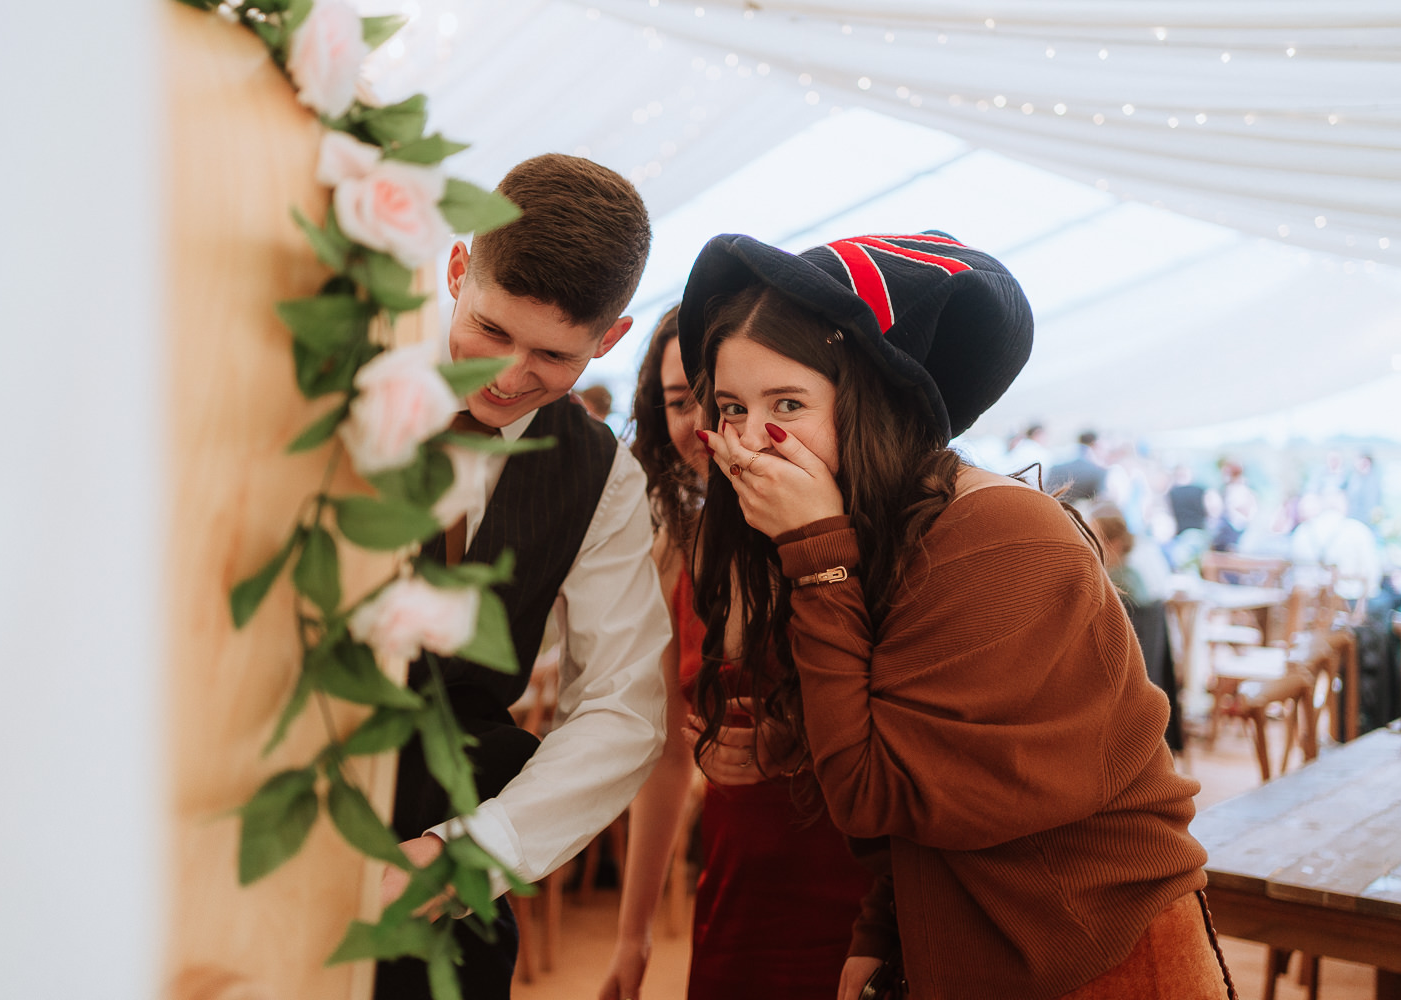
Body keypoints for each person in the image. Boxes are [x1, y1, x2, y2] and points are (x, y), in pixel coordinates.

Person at [680, 231, 1233, 999]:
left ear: (872, 400)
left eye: (789, 405)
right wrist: (883, 931)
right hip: (977, 943)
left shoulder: (998, 535)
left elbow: (877, 788)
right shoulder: (884, 530)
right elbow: (941, 790)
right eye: (733, 407)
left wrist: (818, 555)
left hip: (1092, 954)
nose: (747, 442)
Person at [374, 153, 669, 1000]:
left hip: (453, 853)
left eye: (553, 356)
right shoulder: (340, 379)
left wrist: (464, 854)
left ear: (608, 339)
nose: (508, 377)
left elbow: (621, 709)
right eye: (492, 331)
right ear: (459, 270)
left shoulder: (603, 477)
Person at [598, 308, 872, 1000]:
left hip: (861, 879)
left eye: (719, 401)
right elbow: (661, 754)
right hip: (737, 875)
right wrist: (633, 938)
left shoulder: (851, 537)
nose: (705, 427)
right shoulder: (675, 553)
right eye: (680, 403)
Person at [1047, 430, 1107, 501]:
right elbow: (1100, 498)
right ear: (1094, 444)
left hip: (1051, 502)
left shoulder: (1059, 458)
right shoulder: (1097, 470)